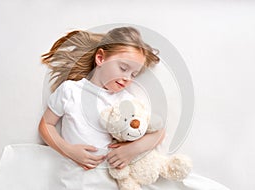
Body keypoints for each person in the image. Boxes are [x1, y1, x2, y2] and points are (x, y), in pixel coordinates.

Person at [38, 26, 166, 172]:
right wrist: (68, 150)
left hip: (109, 179)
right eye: (123, 68)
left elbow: (159, 132)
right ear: (100, 58)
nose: (127, 78)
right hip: (72, 177)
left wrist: (132, 150)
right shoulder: (70, 90)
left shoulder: (127, 101)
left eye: (133, 74)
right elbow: (46, 125)